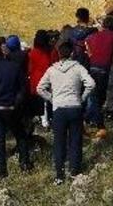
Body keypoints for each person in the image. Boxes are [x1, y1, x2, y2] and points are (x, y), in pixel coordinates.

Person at [37, 40, 95, 186]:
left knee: (59, 142)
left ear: (58, 54)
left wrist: (52, 99)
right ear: (72, 53)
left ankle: (59, 174)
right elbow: (91, 84)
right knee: (75, 140)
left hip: (59, 109)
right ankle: (75, 171)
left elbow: (40, 88)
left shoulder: (52, 69)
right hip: (75, 107)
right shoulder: (78, 67)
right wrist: (81, 98)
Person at [0, 42, 33, 178]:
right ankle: (25, 163)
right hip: (11, 107)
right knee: (20, 135)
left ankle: (2, 172)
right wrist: (17, 102)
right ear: (1, 53)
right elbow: (23, 88)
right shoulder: (14, 67)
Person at [28, 30, 59, 128]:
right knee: (47, 100)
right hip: (47, 78)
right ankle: (47, 121)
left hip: (35, 79)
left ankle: (43, 121)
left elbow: (30, 68)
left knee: (41, 101)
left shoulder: (32, 52)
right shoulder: (50, 51)